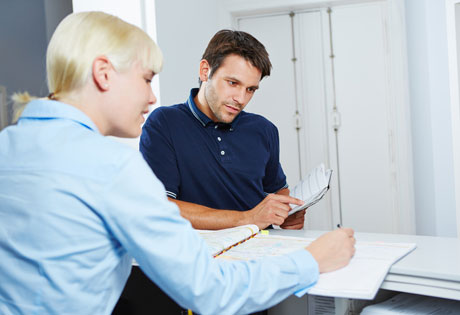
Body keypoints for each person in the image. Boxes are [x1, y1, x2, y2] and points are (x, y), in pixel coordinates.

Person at [0, 11, 356, 315]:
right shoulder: (112, 167)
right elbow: (208, 289)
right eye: (146, 79)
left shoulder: (8, 146)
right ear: (104, 73)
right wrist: (314, 259)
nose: (151, 95)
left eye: (251, 89)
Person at [140, 29, 307, 232]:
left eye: (250, 89)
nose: (241, 99)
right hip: (202, 255)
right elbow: (160, 206)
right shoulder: (164, 123)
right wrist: (248, 218)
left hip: (263, 249)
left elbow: (277, 190)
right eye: (233, 83)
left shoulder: (264, 129)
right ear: (205, 71)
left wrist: (286, 214)